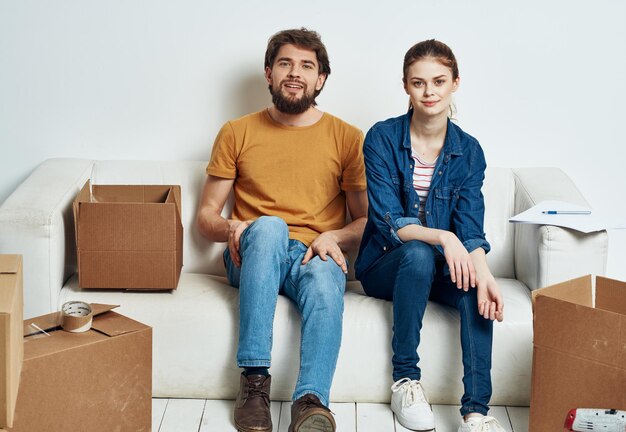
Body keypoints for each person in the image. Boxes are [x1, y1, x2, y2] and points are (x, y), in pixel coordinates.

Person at [196, 28, 367, 432]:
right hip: (252, 253)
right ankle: (254, 384)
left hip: (311, 254)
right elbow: (205, 216)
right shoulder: (237, 131)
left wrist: (334, 237)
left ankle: (310, 403)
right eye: (286, 63)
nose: (296, 73)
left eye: (307, 66)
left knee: (327, 273)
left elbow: (364, 221)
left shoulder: (347, 138)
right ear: (269, 73)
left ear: (320, 79)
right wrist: (233, 227)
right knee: (270, 228)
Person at [354, 39, 505, 432]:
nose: (429, 92)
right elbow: (391, 221)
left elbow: (470, 227)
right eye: (418, 83)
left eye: (439, 81)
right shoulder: (382, 138)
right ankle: (406, 380)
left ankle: (476, 412)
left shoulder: (469, 151)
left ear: (455, 82)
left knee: (474, 288)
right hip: (385, 265)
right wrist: (444, 237)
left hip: (437, 269)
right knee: (419, 252)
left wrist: (484, 275)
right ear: (405, 85)